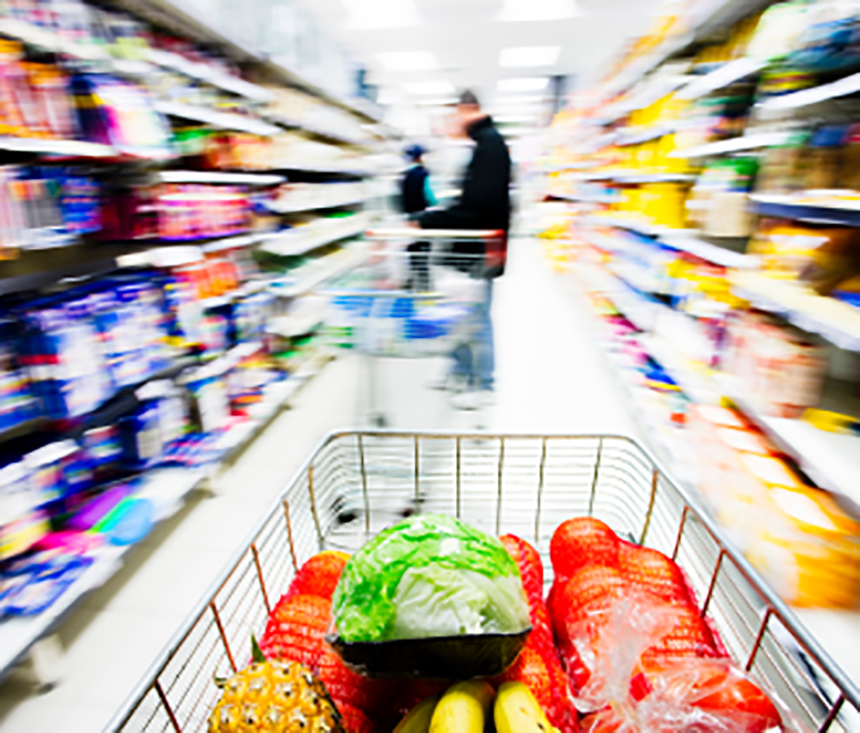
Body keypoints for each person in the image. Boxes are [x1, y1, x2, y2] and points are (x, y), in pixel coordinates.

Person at [419, 90, 511, 409]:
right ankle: (459, 369)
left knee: (477, 315)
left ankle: (484, 383)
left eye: (450, 116)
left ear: (466, 110)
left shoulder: (490, 145)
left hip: (480, 248)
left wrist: (427, 221)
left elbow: (479, 205)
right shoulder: (481, 144)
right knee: (460, 310)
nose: (447, 124)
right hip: (469, 246)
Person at [401, 144, 436, 291]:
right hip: (423, 216)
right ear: (420, 157)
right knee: (424, 249)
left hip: (409, 217)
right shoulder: (424, 173)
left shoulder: (404, 176)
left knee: (412, 249)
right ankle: (425, 283)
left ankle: (412, 280)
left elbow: (400, 198)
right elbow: (430, 196)